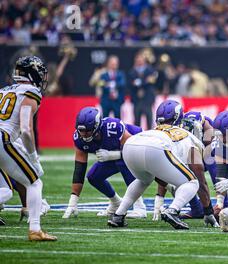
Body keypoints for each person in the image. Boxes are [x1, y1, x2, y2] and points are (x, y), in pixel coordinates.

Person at [107, 100, 219, 230]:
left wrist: (160, 196)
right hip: (155, 149)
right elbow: (201, 180)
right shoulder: (190, 138)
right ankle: (173, 210)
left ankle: (118, 215)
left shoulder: (158, 129)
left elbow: (160, 171)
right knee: (193, 183)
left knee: (143, 179)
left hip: (131, 144)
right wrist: (208, 211)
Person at [0, 55, 56, 240]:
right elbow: (25, 129)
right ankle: (35, 230)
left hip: (3, 136)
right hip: (2, 138)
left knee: (6, 191)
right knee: (34, 182)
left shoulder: (5, 90)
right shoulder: (31, 91)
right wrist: (33, 157)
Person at [63, 107, 147, 219]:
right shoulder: (79, 139)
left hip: (136, 148)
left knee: (122, 162)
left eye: (88, 130)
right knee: (93, 176)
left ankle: (140, 207)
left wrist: (113, 155)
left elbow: (135, 149)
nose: (84, 134)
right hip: (115, 155)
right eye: (81, 130)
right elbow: (79, 170)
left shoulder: (112, 127)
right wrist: (73, 202)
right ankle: (116, 202)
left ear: (97, 126)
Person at [128, 52, 158, 130]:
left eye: (141, 59)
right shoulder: (132, 71)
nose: (139, 61)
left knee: (149, 119)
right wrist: (145, 81)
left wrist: (139, 82)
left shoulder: (150, 70)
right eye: (138, 59)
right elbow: (130, 83)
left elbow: (152, 81)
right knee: (137, 120)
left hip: (147, 99)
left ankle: (150, 136)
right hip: (137, 99)